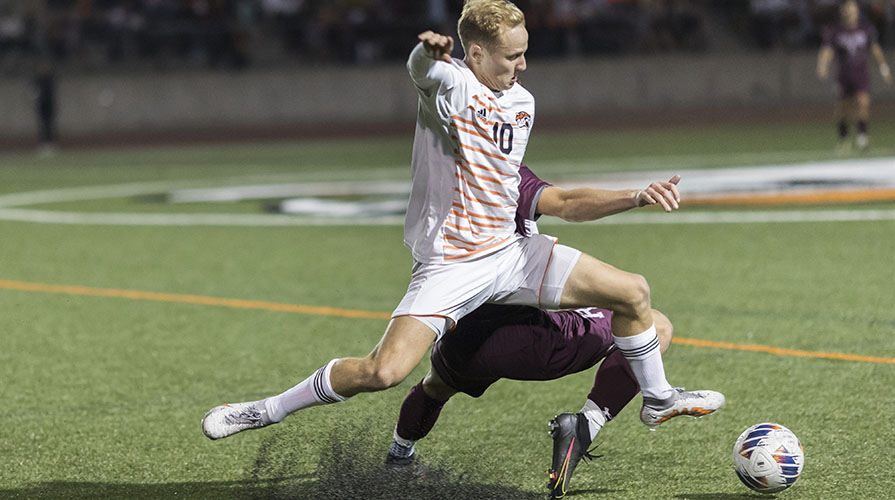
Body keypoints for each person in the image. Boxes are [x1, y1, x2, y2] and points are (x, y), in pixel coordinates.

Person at [202, 0, 721, 444]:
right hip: (452, 262)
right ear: (475, 53)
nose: (522, 65)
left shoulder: (522, 103)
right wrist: (425, 54)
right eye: (512, 55)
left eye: (524, 52)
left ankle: (657, 399)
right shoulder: (449, 84)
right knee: (383, 371)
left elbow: (558, 200)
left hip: (513, 252)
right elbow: (421, 73)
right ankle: (265, 409)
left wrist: (635, 196)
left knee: (633, 293)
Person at [382, 164, 722, 499]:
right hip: (523, 338)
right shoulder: (498, 170)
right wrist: (635, 196)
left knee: (435, 387)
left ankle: (399, 457)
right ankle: (599, 421)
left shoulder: (441, 183)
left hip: (460, 338)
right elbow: (566, 204)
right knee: (653, 323)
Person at [817, 0, 892, 153]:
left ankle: (862, 137)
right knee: (842, 110)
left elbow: (875, 50)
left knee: (863, 103)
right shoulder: (835, 30)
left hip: (861, 73)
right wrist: (823, 65)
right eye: (847, 8)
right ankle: (844, 139)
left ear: (857, 10)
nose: (849, 11)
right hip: (843, 75)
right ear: (842, 11)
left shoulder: (866, 28)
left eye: (852, 8)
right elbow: (827, 50)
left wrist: (884, 68)